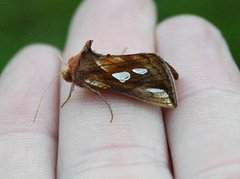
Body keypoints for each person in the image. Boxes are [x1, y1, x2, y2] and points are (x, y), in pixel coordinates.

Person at [0, 1, 239, 178]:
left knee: (125, 79)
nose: (69, 82)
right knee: (122, 75)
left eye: (69, 79)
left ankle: (156, 75)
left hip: (135, 73)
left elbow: (97, 86)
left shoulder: (83, 74)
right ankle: (154, 70)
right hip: (138, 66)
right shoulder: (81, 73)